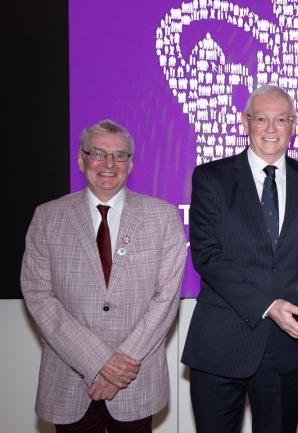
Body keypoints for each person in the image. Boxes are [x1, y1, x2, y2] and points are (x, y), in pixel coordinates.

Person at [182, 84, 298, 433]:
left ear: (294, 125)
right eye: (261, 119)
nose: (271, 129)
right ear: (245, 122)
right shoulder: (211, 178)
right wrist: (269, 305)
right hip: (221, 344)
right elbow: (207, 256)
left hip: (289, 349)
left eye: (281, 119)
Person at [20, 119, 187, 432]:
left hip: (135, 381)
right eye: (98, 153)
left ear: (130, 163)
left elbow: (165, 299)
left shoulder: (162, 217)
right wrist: (98, 362)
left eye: (119, 156)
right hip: (68, 379)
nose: (109, 164)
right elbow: (39, 295)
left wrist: (120, 367)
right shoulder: (47, 217)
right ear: (81, 159)